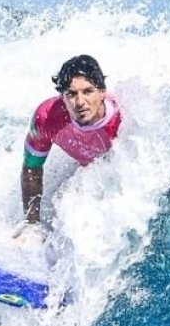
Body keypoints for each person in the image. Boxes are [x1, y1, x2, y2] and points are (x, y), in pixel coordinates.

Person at [18, 55, 123, 233]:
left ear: (102, 91)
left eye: (88, 91)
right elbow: (31, 168)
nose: (80, 102)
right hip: (89, 173)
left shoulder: (122, 121)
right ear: (62, 97)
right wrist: (31, 223)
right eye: (72, 94)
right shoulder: (47, 118)